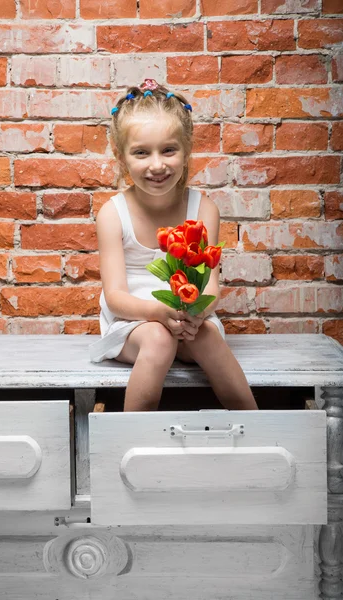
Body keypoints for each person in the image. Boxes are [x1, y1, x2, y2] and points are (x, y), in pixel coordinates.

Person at [89, 79, 258, 412]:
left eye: (168, 150)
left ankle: (256, 429)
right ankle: (131, 441)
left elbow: (209, 285)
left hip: (190, 318)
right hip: (133, 321)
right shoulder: (112, 214)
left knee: (207, 337)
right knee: (158, 338)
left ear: (186, 151)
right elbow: (116, 297)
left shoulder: (203, 209)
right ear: (122, 157)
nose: (157, 164)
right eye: (141, 152)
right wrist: (158, 313)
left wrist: (197, 314)